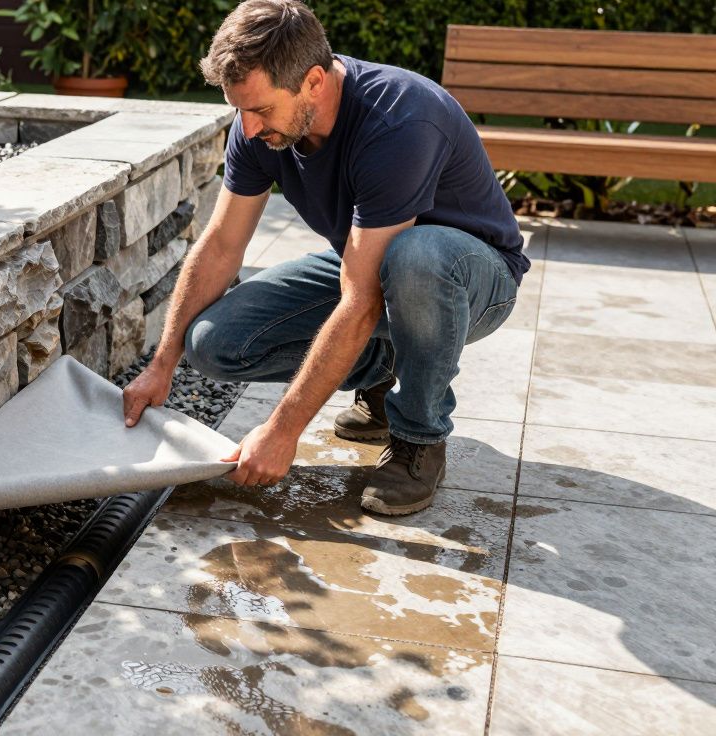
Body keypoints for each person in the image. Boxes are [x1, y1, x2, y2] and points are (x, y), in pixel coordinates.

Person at [121, 0, 529, 516]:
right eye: (238, 109)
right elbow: (223, 244)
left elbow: (360, 301)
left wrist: (283, 429)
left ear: (314, 81)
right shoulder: (256, 128)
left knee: (417, 255)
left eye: (262, 110)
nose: (247, 129)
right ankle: (383, 367)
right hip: (374, 270)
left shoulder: (399, 120)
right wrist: (162, 364)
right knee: (214, 344)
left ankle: (418, 438)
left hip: (474, 282)